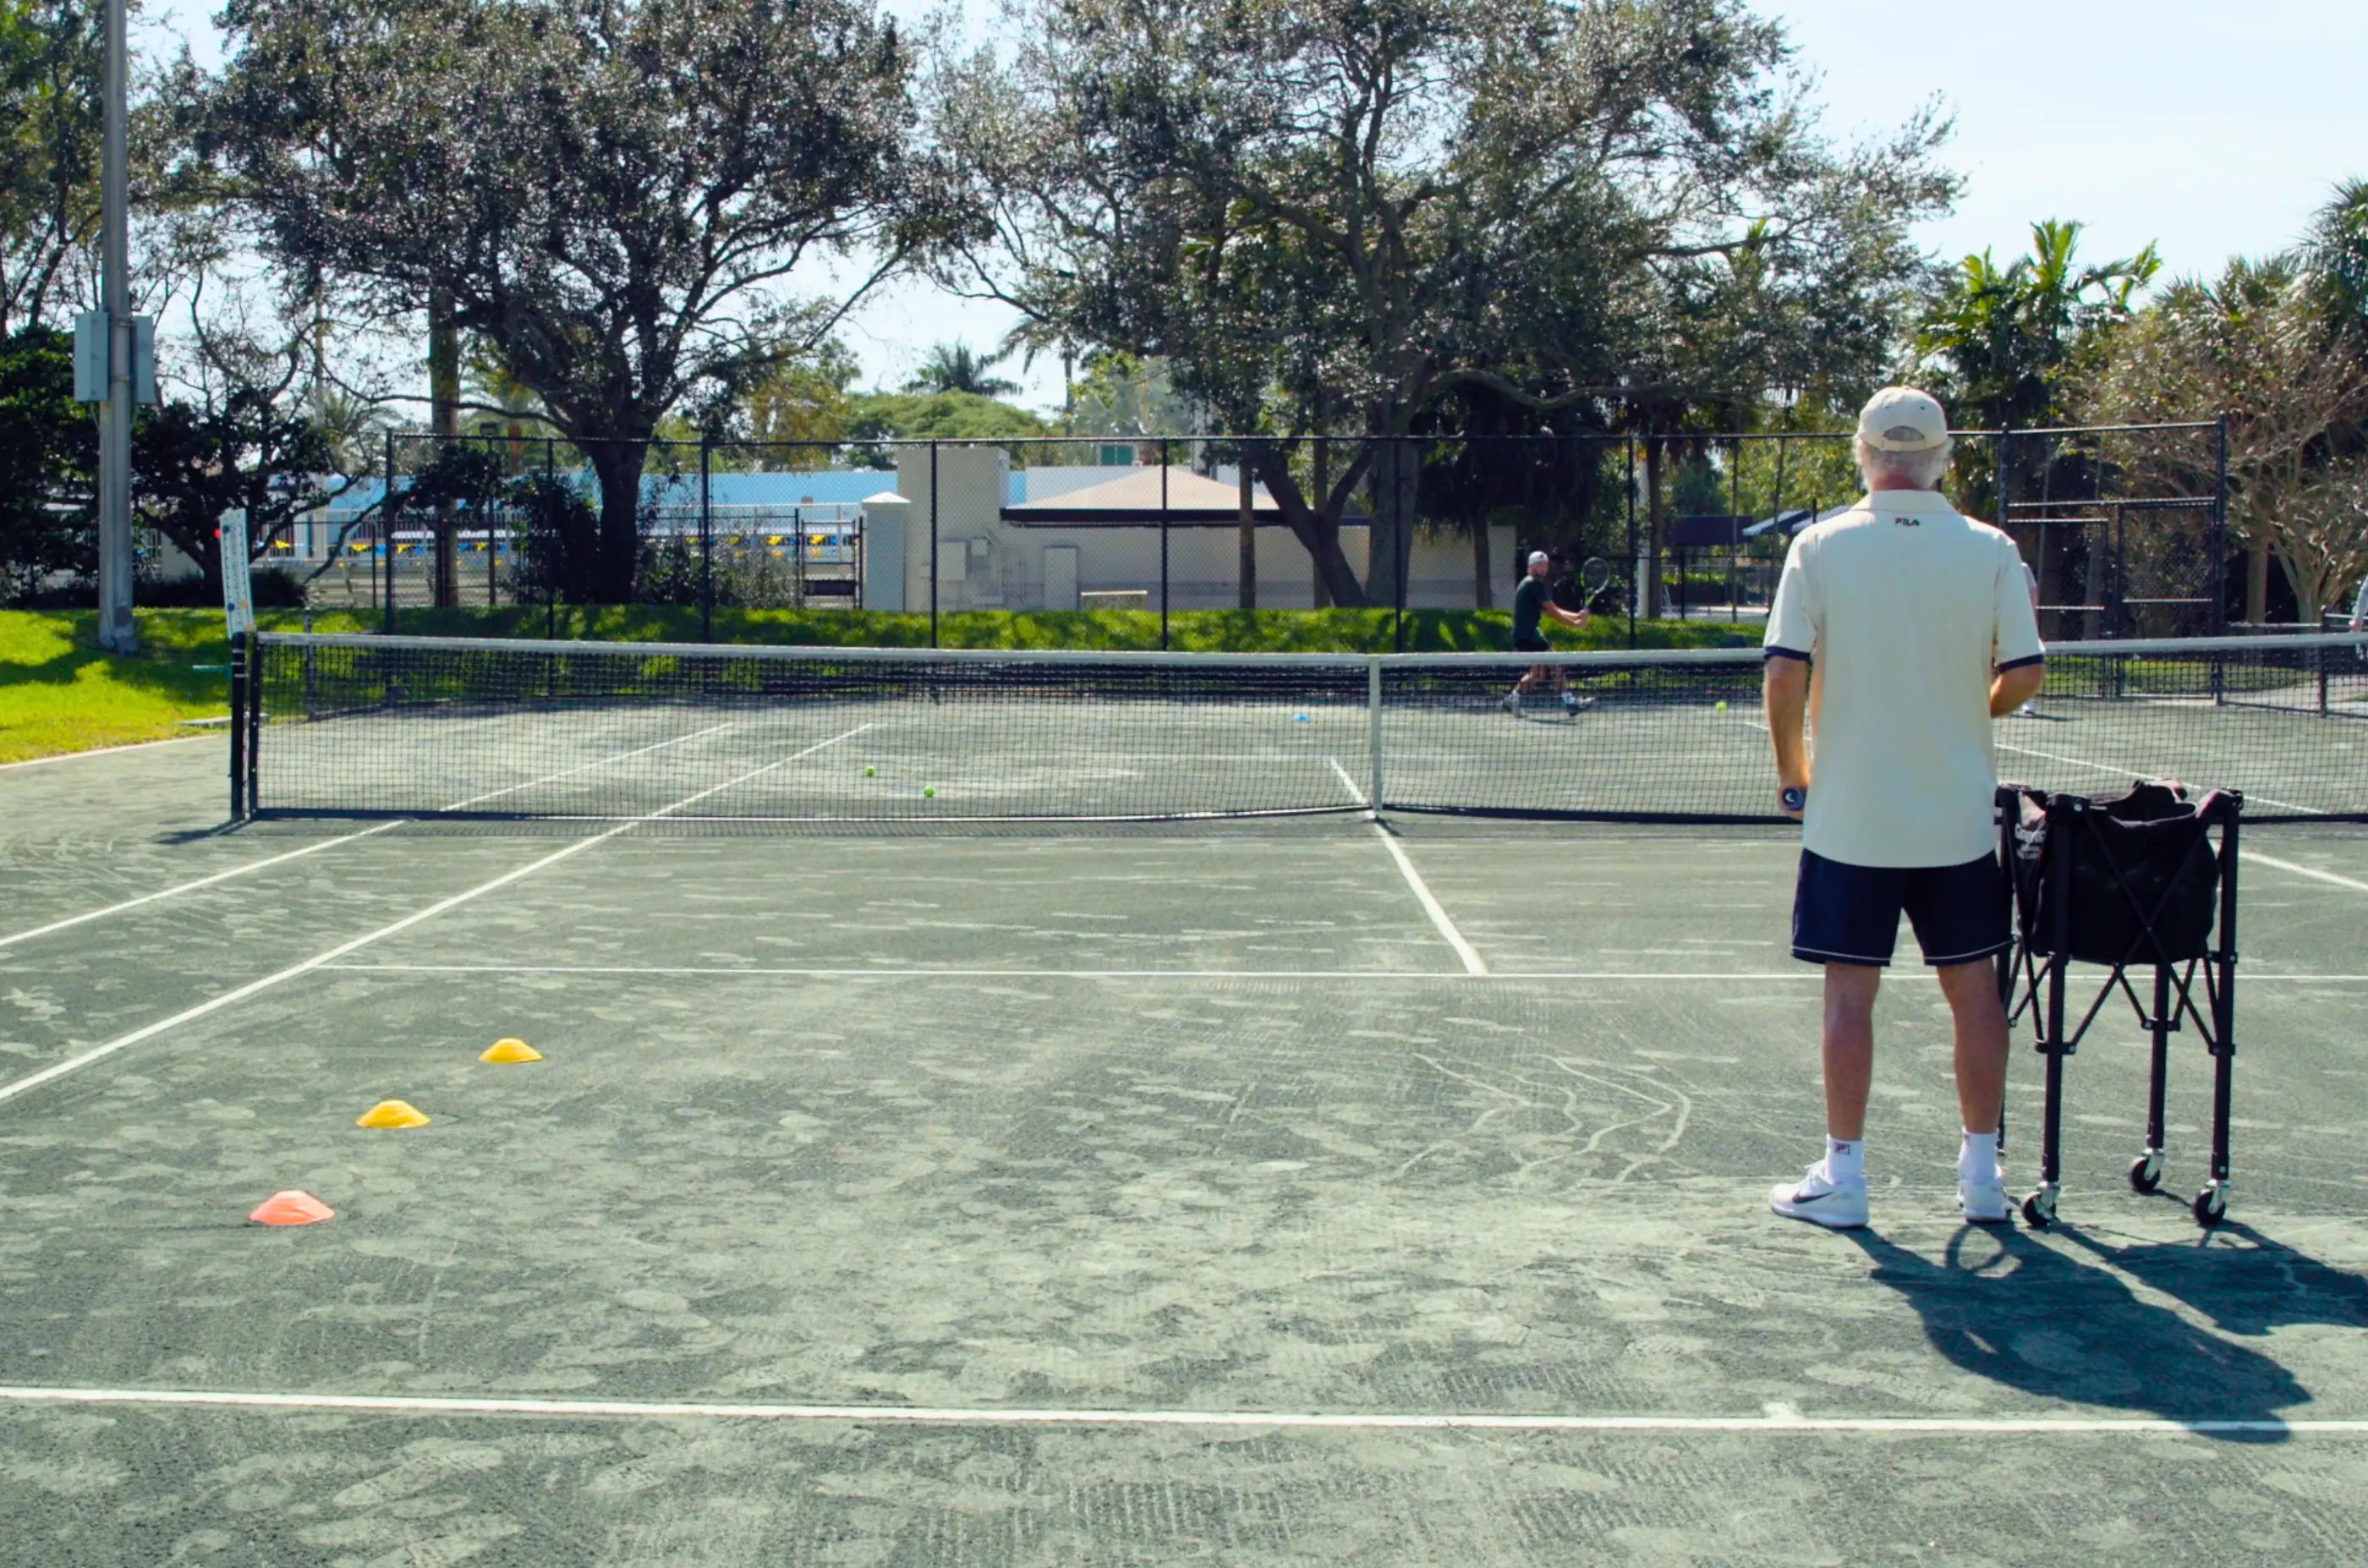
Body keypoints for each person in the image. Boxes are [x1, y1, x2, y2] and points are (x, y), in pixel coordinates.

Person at [1761, 387, 2047, 1230]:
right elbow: (2025, 673)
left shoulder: (1818, 547)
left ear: (1862, 454)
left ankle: (1843, 1178)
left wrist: (1792, 773)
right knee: (1975, 993)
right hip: (1954, 817)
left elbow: (1783, 671)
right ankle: (1983, 1176)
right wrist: (1970, 709)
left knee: (1849, 999)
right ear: (1941, 460)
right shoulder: (1990, 549)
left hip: (1852, 818)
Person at [1499, 551, 1594, 716]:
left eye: (1545, 565)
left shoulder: (1530, 583)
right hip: (1528, 636)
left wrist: (1578, 616)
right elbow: (1553, 611)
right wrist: (1575, 624)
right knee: (1556, 663)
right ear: (1531, 566)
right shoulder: (1533, 584)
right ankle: (1570, 702)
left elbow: (1554, 608)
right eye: (1540, 564)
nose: (1543, 568)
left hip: (1526, 635)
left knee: (1538, 673)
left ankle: (1511, 699)